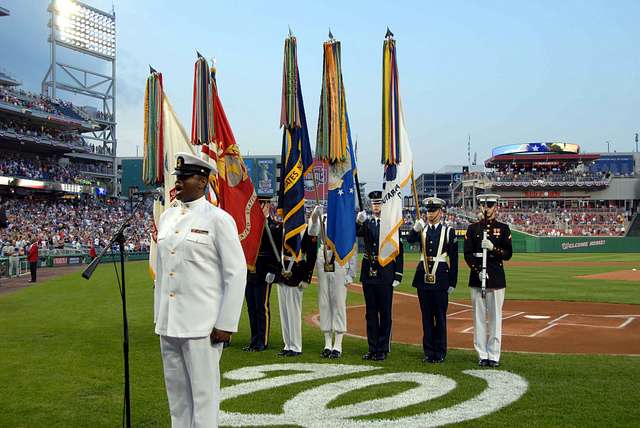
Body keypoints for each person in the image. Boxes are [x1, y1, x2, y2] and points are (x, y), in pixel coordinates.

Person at [154, 152, 247, 427]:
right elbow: (162, 272)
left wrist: (226, 323)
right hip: (169, 322)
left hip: (203, 326)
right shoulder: (168, 217)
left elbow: (236, 271)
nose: (178, 182)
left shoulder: (218, 219)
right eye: (178, 177)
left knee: (204, 400)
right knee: (178, 400)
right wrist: (159, 316)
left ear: (203, 181)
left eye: (185, 177)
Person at [406, 197, 458, 363]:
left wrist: (452, 282)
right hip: (423, 277)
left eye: (433, 210)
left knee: (440, 317)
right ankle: (428, 351)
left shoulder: (448, 231)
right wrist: (415, 229)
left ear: (440, 212)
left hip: (441, 277)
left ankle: (440, 351)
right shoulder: (422, 229)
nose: (430, 214)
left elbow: (454, 260)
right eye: (428, 211)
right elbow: (409, 240)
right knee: (426, 317)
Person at [464, 193, 512, 368]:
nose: (487, 208)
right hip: (478, 278)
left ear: (495, 207)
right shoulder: (473, 228)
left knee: (495, 318)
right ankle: (482, 354)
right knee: (478, 318)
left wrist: (494, 248)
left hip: (496, 277)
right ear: (480, 207)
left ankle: (494, 354)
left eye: (490, 205)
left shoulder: (503, 228)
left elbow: (508, 254)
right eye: (484, 205)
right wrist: (477, 271)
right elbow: (468, 254)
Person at [356, 190, 403, 361]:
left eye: (379, 203)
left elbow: (399, 250)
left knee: (385, 312)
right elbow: (355, 233)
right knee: (370, 312)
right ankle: (372, 347)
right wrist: (358, 222)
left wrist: (398, 274)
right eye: (374, 204)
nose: (376, 206)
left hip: (385, 271)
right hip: (369, 271)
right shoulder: (367, 224)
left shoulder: (391, 225)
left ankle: (383, 348)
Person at [310, 206, 356, 359]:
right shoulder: (323, 217)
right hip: (324, 255)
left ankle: (338, 344)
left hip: (339, 257)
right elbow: (312, 232)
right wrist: (315, 217)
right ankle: (327, 343)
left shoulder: (343, 219)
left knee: (338, 303)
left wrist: (351, 273)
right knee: (324, 302)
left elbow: (351, 245)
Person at [276, 216, 318, 357]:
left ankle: (296, 346)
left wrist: (307, 278)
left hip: (296, 274)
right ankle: (287, 344)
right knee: (284, 313)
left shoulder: (304, 230)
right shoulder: (283, 228)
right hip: (283, 272)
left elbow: (311, 255)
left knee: (293, 312)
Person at [243, 197, 281, 352]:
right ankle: (253, 340)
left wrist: (273, 270)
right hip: (250, 270)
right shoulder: (249, 226)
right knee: (251, 307)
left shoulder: (273, 226)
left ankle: (262, 341)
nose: (258, 207)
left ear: (267, 205)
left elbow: (276, 251)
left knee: (262, 307)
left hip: (264, 271)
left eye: (261, 204)